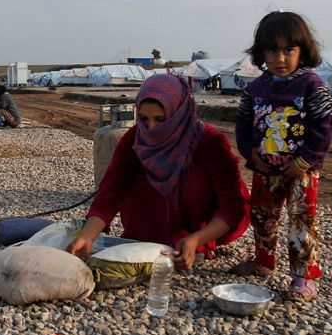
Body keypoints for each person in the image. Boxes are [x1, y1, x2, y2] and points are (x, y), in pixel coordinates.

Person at [66, 74, 248, 271]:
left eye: (160, 119)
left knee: (194, 182)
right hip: (144, 235)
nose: (151, 128)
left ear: (178, 112)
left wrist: (196, 239)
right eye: (143, 119)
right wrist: (87, 236)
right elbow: (111, 191)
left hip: (200, 230)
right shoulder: (135, 139)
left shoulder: (209, 142)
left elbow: (232, 204)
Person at [232, 11, 332, 301]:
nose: (279, 58)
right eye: (271, 50)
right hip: (265, 168)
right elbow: (242, 123)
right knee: (262, 216)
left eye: (287, 50)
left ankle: (303, 276)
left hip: (301, 171)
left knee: (301, 221)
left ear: (303, 50)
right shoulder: (255, 89)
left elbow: (325, 124)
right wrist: (250, 153)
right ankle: (264, 262)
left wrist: (304, 161)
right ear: (261, 52)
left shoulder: (312, 86)